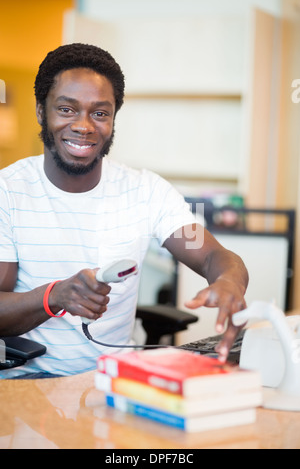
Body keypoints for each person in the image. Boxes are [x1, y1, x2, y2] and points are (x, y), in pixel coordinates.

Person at [0, 43, 248, 379]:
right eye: (67, 109)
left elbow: (212, 256)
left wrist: (229, 280)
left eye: (100, 113)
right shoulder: (8, 192)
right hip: (28, 386)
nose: (84, 126)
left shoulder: (146, 191)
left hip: (114, 383)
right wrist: (54, 295)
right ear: (42, 111)